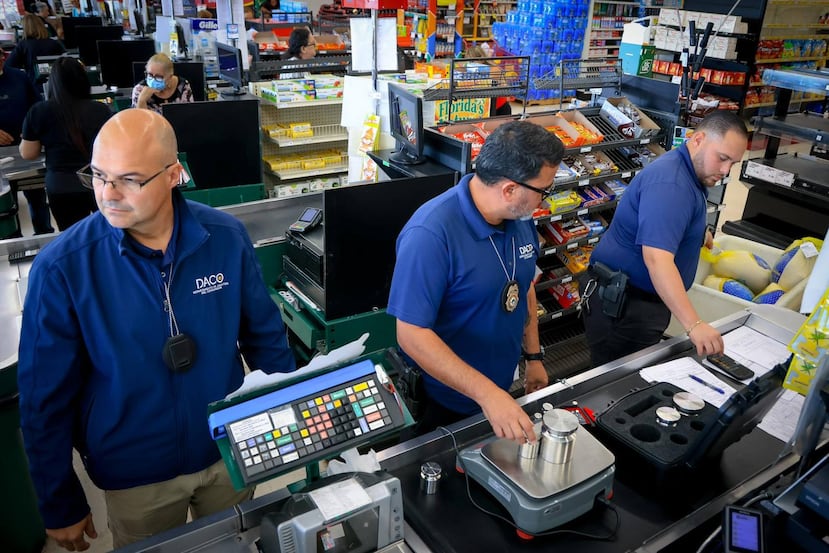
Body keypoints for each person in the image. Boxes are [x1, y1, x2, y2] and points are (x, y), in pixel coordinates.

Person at [18, 109, 296, 551]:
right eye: (98, 175)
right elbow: (43, 397)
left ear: (173, 175)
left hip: (228, 452)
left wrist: (288, 428)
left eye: (129, 179)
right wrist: (59, 501)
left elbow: (266, 340)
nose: (107, 194)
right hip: (135, 475)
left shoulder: (225, 239)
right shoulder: (64, 268)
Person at [387, 121, 564, 441]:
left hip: (497, 392)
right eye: (544, 191)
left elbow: (524, 285)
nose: (545, 201)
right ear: (509, 190)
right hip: (442, 403)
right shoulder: (430, 234)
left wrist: (534, 357)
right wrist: (487, 394)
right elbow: (411, 334)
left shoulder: (519, 218)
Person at [579, 110, 749, 368]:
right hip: (625, 308)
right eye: (722, 158)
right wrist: (694, 324)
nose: (725, 170)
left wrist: (695, 232)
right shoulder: (672, 184)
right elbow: (657, 260)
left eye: (733, 163)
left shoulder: (686, 170)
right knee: (617, 381)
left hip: (636, 300)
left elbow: (668, 217)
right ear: (698, 140)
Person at [20, 57, 111, 230]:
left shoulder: (39, 111)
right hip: (97, 182)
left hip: (61, 186)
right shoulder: (100, 110)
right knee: (106, 233)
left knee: (71, 236)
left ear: (52, 83)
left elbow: (28, 153)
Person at [0, 49, 54, 234]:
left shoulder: (19, 77)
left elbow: (37, 106)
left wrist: (31, 129)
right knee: (7, 206)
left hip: (27, 149)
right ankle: (13, 239)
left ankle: (44, 233)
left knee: (37, 198)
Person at [6, 14, 64, 86]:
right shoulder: (55, 43)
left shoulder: (23, 45)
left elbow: (9, 66)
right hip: (57, 84)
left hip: (33, 85)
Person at [465, 44, 511, 117]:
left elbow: (505, 90)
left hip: (499, 108)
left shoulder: (493, 70)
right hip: (485, 107)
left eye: (472, 61)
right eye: (468, 61)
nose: (471, 64)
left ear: (481, 59)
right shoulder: (471, 70)